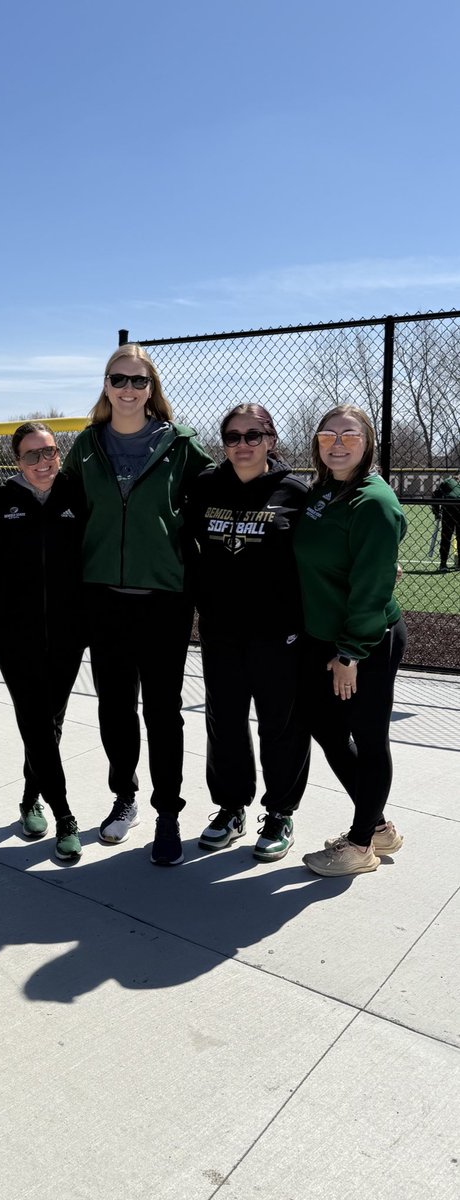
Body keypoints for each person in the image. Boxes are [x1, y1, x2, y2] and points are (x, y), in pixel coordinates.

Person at [63, 344, 213, 865]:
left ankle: (168, 812)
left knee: (163, 711)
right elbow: (63, 509)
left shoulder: (182, 445)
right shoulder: (86, 445)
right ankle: (123, 798)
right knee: (114, 708)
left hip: (164, 600)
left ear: (152, 388)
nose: (128, 389)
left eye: (138, 380)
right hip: (103, 598)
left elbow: (230, 493)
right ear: (105, 385)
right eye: (118, 379)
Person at [185, 404, 310, 862]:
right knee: (225, 722)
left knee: (280, 724)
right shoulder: (204, 486)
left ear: (270, 440)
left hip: (278, 633)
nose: (242, 444)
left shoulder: (294, 491)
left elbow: (325, 549)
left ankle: (280, 812)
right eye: (233, 436)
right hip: (221, 629)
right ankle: (230, 807)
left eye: (253, 435)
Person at [293, 404, 407, 877]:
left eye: (349, 435)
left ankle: (360, 846)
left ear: (368, 443)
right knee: (326, 728)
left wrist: (350, 653)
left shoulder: (373, 501)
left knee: (369, 737)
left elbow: (371, 588)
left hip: (365, 642)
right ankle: (377, 827)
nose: (337, 444)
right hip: (326, 637)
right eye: (328, 435)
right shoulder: (326, 490)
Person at [0, 421, 86, 861]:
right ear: (18, 460)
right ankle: (65, 814)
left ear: (59, 453)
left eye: (49, 451)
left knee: (50, 722)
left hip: (69, 631)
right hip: (16, 634)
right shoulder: (0, 500)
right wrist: (13, 564)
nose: (42, 462)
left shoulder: (77, 494)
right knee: (35, 721)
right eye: (31, 455)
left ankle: (30, 797)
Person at [431, 474, 460, 572]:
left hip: (449, 510)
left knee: (446, 538)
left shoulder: (447, 482)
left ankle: (443, 564)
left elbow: (434, 495)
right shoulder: (450, 482)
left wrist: (436, 512)